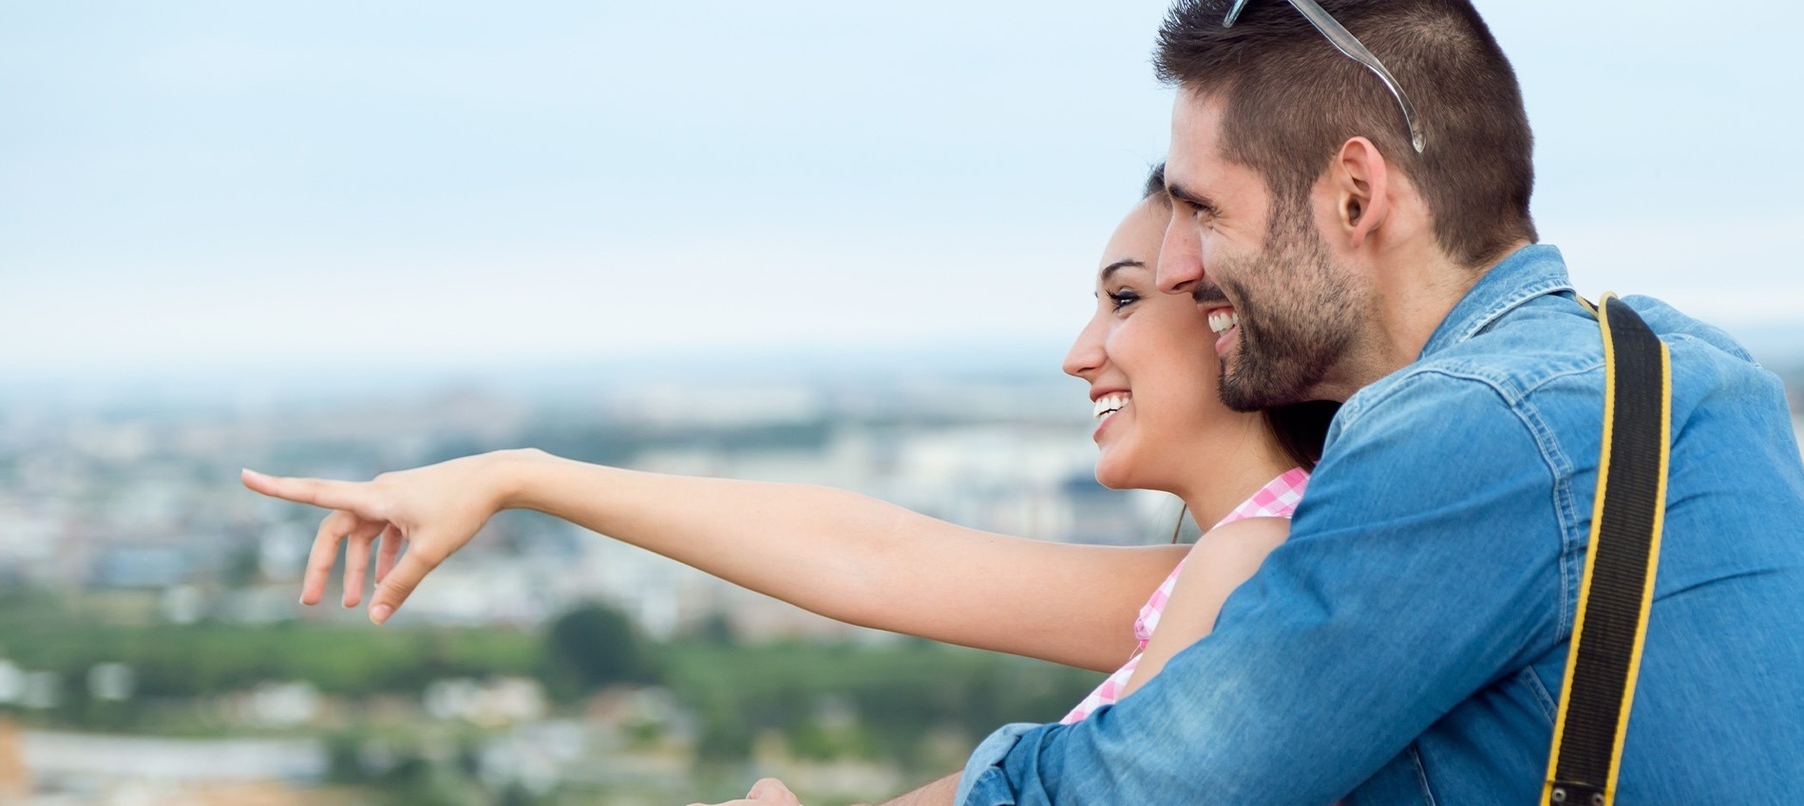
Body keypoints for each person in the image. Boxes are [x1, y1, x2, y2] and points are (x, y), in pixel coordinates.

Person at [941, 0, 1804, 805]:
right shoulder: (1676, 362)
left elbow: (1147, 784)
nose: (1182, 266)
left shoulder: (1472, 431)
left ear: (1356, 195)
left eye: (1204, 211)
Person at [241, 171, 1337, 803]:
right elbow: (882, 556)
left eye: (1123, 298)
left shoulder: (1257, 563)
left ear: (1228, 308)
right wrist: (520, 475)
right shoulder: (1232, 566)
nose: (1081, 350)